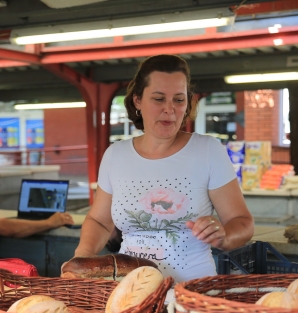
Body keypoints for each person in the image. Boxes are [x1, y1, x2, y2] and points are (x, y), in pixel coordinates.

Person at [74, 54, 254, 283]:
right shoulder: (115, 156)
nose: (169, 109)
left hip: (191, 292)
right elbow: (99, 221)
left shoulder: (208, 151)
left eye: (178, 100)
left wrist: (225, 235)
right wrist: (82, 257)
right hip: (132, 290)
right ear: (138, 100)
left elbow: (243, 222)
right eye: (159, 99)